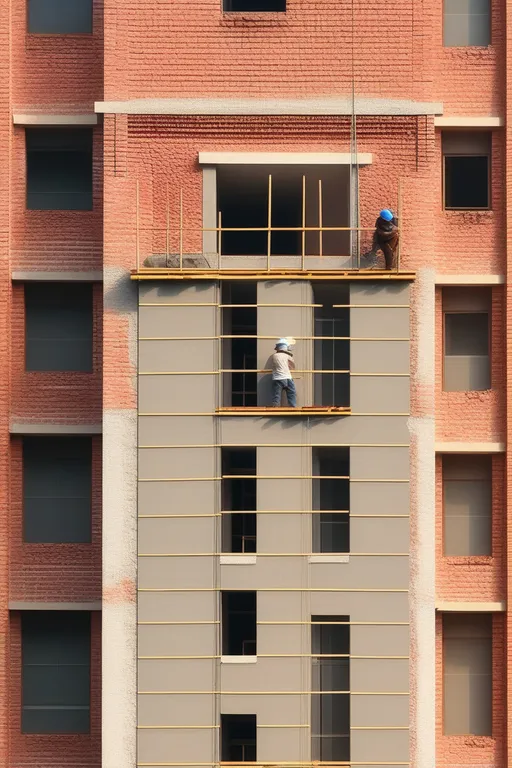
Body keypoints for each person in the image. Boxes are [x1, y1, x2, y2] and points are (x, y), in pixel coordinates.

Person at [271, 339, 296, 407]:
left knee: (276, 396)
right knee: (291, 394)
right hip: (288, 378)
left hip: (277, 378)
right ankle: (292, 408)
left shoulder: (274, 356)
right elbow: (293, 367)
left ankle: (275, 409)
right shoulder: (288, 356)